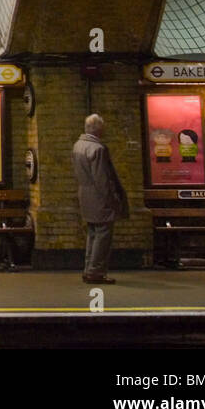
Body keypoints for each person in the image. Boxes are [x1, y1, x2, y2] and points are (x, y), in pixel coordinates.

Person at [71, 113, 129, 284]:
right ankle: (95, 272)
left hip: (84, 194)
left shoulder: (78, 146)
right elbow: (102, 179)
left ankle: (88, 268)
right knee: (103, 236)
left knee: (92, 234)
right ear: (98, 128)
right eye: (103, 127)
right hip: (99, 198)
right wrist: (113, 201)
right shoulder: (98, 149)